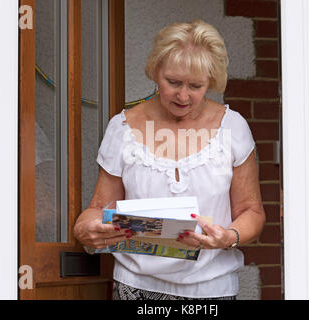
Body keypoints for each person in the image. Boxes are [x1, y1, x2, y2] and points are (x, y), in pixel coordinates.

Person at [73, 19, 266, 300]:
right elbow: (99, 208)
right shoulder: (122, 127)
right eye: (173, 82)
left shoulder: (232, 127)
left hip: (213, 289)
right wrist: (84, 229)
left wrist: (229, 237)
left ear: (211, 81)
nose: (183, 95)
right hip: (134, 288)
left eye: (196, 86)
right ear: (155, 71)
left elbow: (252, 211)